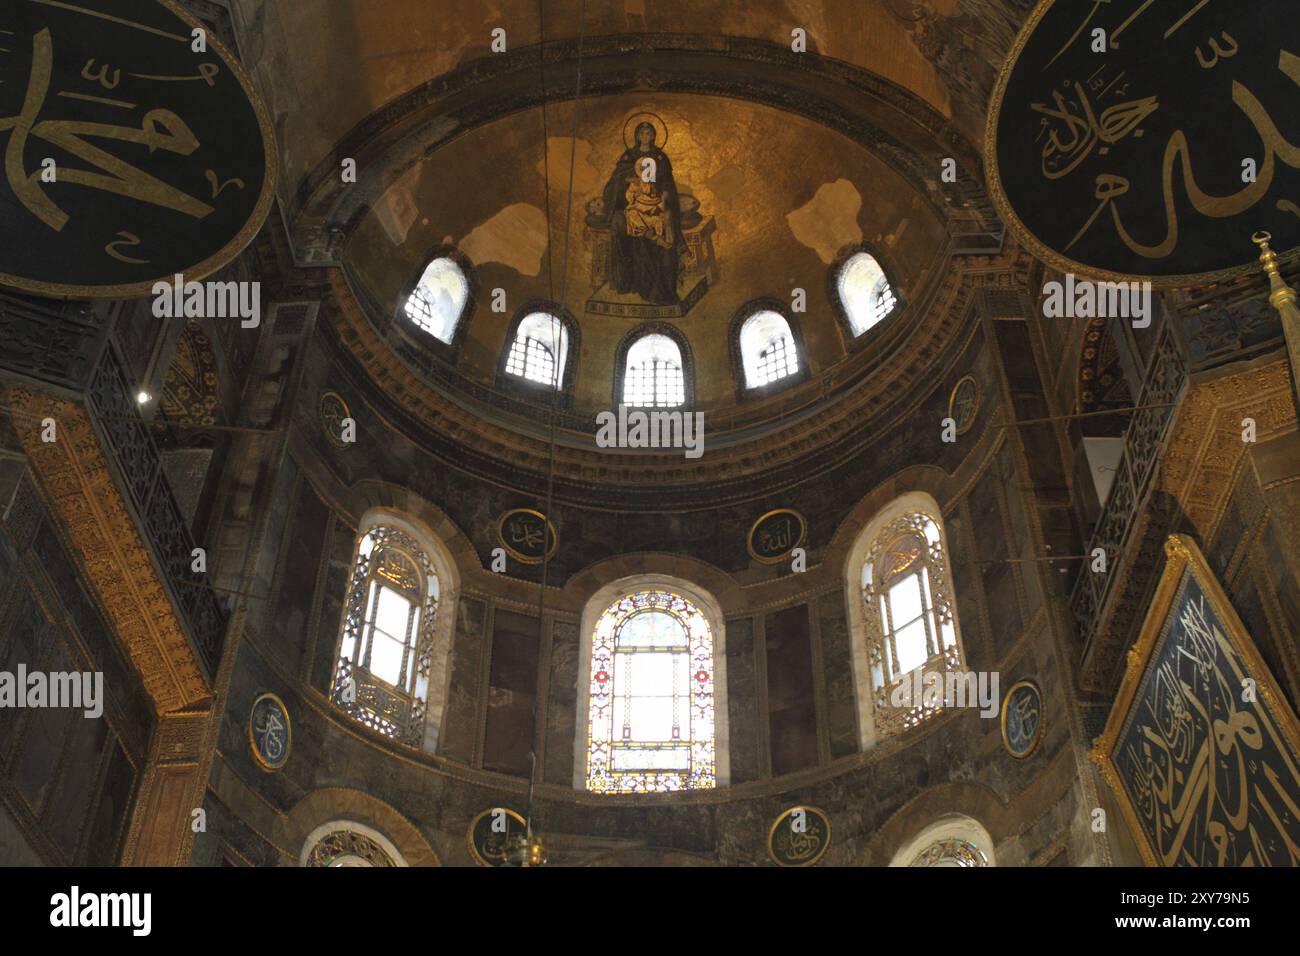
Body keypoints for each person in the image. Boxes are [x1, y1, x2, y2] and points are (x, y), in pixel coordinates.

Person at [600, 122, 685, 304]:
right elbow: (616, 184)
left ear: (654, 136)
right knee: (627, 224)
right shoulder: (628, 157)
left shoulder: (660, 158)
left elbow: (667, 185)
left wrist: (664, 200)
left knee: (665, 229)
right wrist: (630, 182)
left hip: (656, 205)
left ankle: (663, 288)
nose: (646, 136)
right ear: (637, 136)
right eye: (642, 133)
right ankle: (629, 280)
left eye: (649, 133)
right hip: (634, 206)